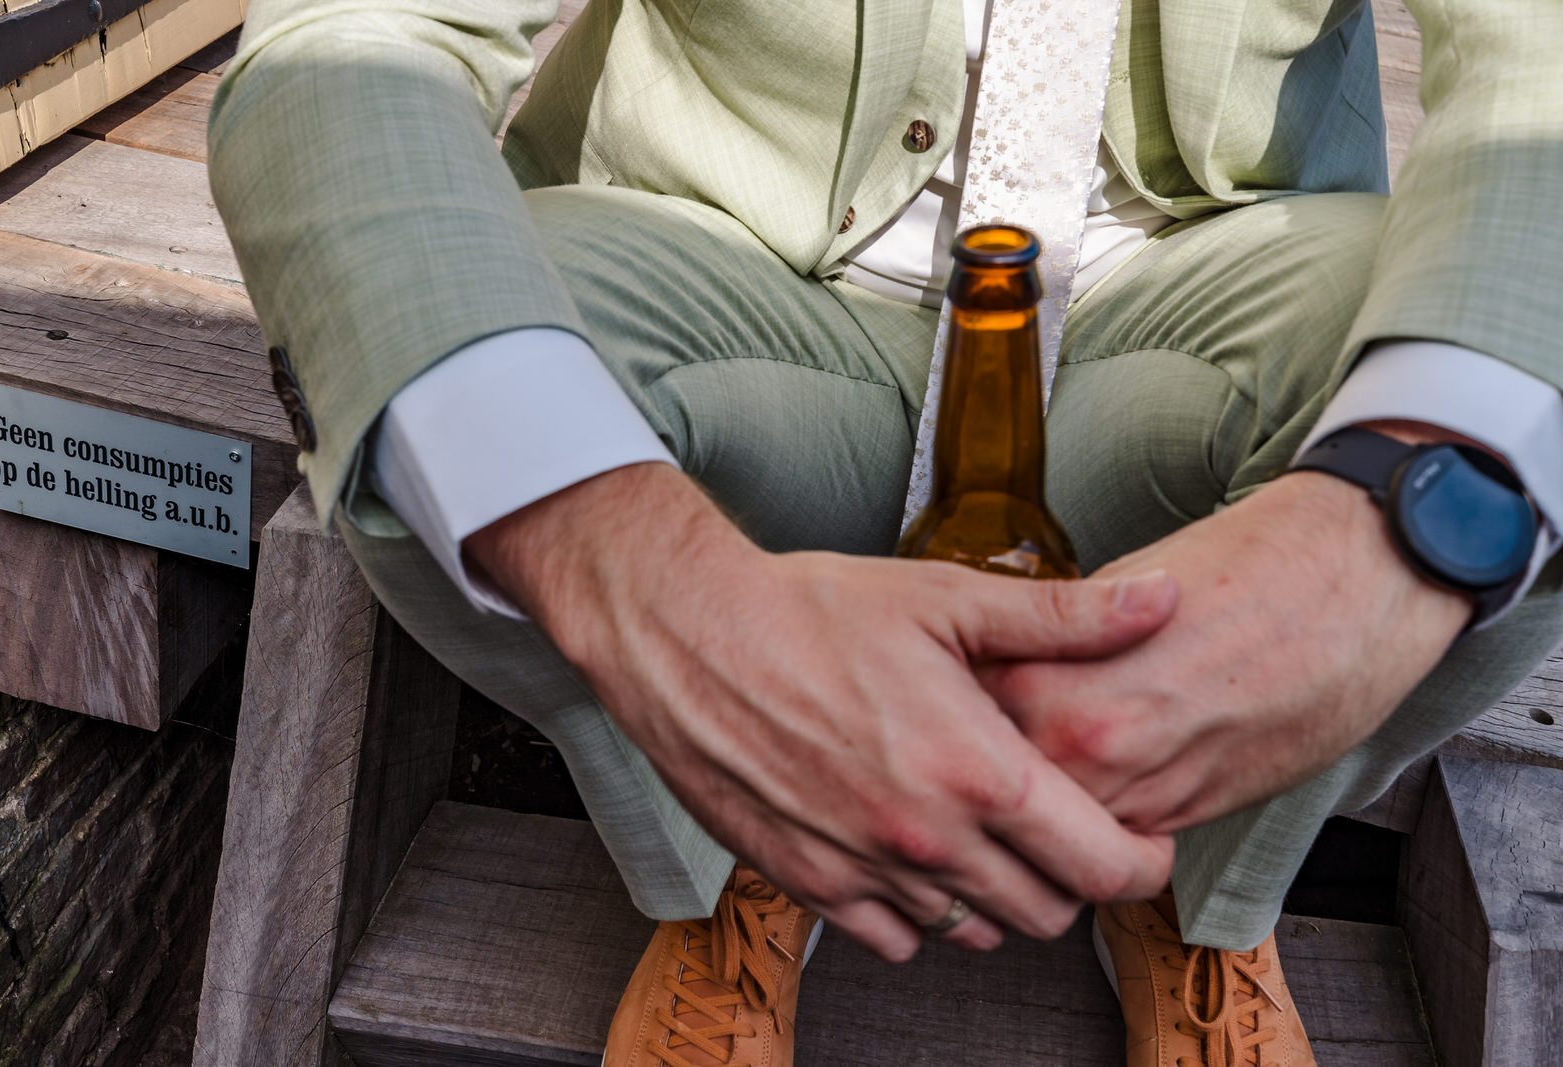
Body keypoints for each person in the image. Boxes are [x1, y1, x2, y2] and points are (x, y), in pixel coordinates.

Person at [208, 0, 1563, 1062]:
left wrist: (1403, 514)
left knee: (1512, 402)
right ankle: (735, 839)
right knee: (429, 358)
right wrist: (639, 573)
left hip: (1193, 292)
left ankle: (1196, 873)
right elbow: (351, 42)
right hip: (753, 277)